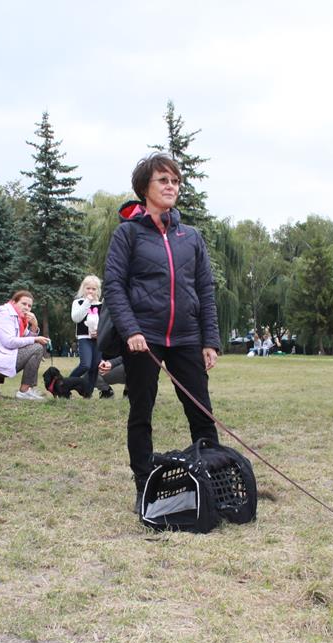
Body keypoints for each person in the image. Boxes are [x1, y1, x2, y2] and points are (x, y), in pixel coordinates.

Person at [104, 153, 221, 510]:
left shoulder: (191, 236)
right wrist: (130, 330)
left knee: (202, 412)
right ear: (145, 187)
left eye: (175, 181)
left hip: (187, 337)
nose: (171, 186)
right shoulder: (127, 234)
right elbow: (114, 286)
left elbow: (205, 289)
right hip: (144, 337)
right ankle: (145, 487)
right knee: (142, 412)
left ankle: (216, 483)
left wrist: (210, 340)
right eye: (163, 180)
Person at [0, 289, 51, 400]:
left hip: (3, 357)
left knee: (36, 349)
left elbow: (26, 338)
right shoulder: (4, 315)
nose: (27, 308)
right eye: (23, 304)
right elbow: (9, 342)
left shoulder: (18, 318)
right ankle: (24, 391)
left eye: (29, 306)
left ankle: (27, 390)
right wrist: (35, 340)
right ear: (14, 302)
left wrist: (34, 325)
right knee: (37, 348)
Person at [67, 275, 103, 396]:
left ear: (98, 290)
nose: (91, 291)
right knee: (85, 365)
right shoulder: (78, 303)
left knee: (94, 367)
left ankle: (88, 393)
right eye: (88, 288)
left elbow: (105, 323)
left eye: (94, 289)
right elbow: (76, 318)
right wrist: (87, 302)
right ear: (83, 289)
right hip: (84, 338)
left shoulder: (101, 305)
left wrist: (99, 333)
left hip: (98, 339)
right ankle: (65, 385)